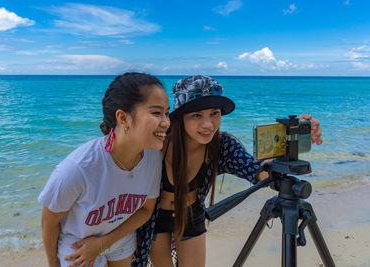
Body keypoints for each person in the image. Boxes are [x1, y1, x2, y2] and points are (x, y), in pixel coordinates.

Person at [145, 75, 323, 267]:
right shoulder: (158, 143)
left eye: (215, 113)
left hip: (191, 214)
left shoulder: (222, 146)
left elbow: (258, 172)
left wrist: (290, 144)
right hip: (153, 217)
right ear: (180, 117)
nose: (208, 124)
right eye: (196, 115)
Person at [38, 72, 170, 267]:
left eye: (167, 113)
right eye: (157, 113)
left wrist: (102, 243)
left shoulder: (153, 156)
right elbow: (49, 221)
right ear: (123, 118)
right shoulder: (79, 168)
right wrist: (53, 264)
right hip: (77, 241)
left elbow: (146, 210)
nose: (166, 122)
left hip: (119, 235)